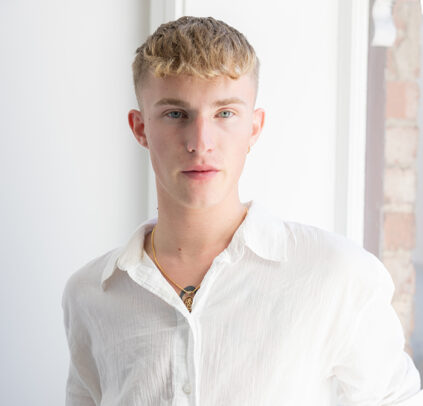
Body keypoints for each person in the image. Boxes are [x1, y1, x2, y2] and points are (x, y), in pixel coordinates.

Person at [62, 16, 423, 406]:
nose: (200, 142)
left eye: (225, 114)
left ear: (254, 127)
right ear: (140, 128)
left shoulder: (337, 274)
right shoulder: (90, 295)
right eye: (176, 114)